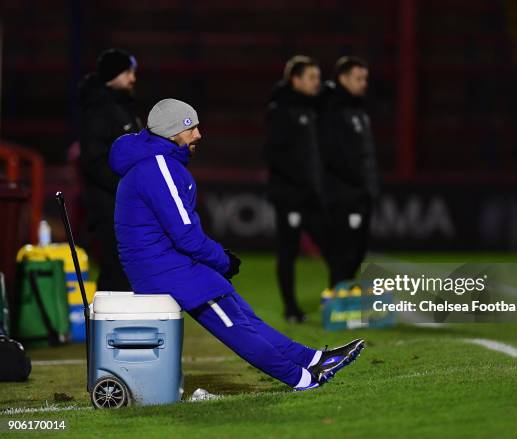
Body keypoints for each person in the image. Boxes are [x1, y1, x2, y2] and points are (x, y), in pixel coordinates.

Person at [109, 98, 364, 391]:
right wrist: (222, 260)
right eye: (191, 128)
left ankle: (314, 359)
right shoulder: (157, 167)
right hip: (164, 270)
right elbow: (185, 234)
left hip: (168, 263)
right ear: (171, 133)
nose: (198, 135)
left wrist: (217, 260)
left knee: (243, 315)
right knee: (235, 327)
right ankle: (303, 379)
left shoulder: (155, 164)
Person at [264, 55, 331, 322]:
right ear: (296, 79)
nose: (318, 82)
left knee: (332, 247)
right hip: (290, 195)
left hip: (312, 194)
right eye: (312, 77)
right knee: (288, 251)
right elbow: (275, 155)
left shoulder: (312, 108)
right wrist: (296, 185)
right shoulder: (280, 109)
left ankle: (337, 303)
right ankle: (291, 309)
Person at [78, 48, 141, 291]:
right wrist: (127, 186)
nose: (133, 78)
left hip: (122, 203)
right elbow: (94, 161)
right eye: (127, 72)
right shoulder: (99, 108)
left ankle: (119, 325)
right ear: (113, 74)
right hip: (108, 206)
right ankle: (107, 326)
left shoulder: (121, 105)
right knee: (115, 269)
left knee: (125, 268)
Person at [319, 56, 380, 286]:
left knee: (357, 251)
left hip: (360, 193)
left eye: (365, 78)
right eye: (358, 78)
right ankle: (337, 303)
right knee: (344, 252)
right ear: (343, 79)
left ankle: (342, 299)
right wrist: (358, 183)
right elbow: (333, 154)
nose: (364, 83)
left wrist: (370, 187)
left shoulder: (358, 110)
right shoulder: (332, 110)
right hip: (344, 194)